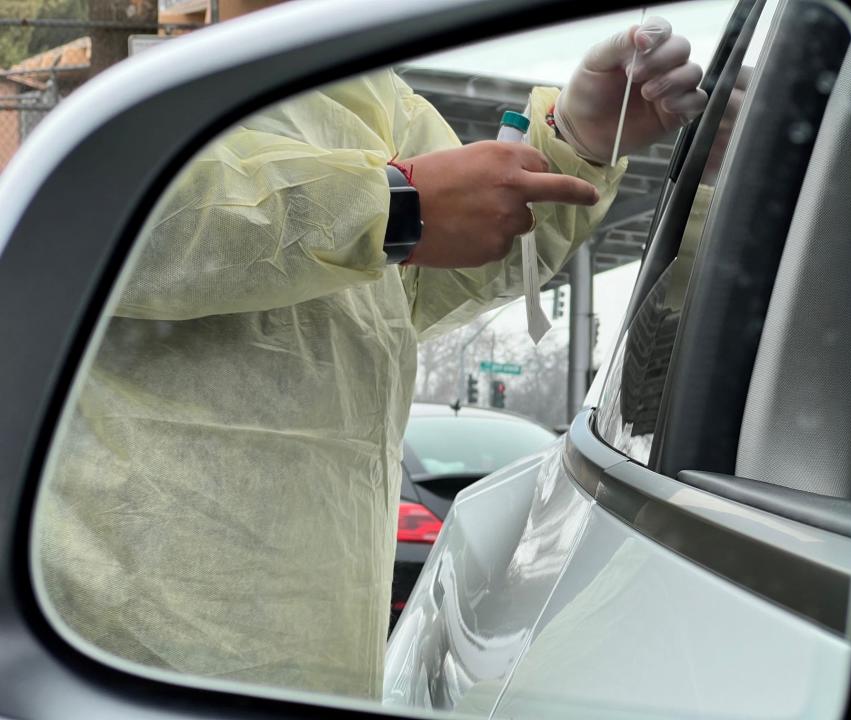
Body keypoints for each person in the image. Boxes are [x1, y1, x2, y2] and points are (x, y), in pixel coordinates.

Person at [34, 5, 707, 702]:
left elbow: (459, 254)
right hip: (129, 650)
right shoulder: (159, 87)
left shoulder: (372, 95)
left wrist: (579, 138)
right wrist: (394, 204)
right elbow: (115, 231)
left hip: (322, 657)